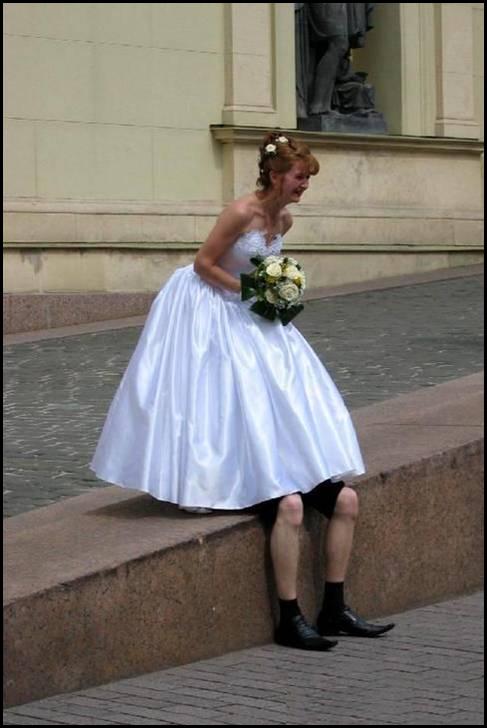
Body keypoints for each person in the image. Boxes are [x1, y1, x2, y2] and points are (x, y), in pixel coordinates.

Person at [91, 132, 394, 650]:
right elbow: (203, 264)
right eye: (300, 176)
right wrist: (252, 291)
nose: (305, 185)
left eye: (308, 178)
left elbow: (270, 268)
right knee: (235, 402)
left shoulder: (285, 221)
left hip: (255, 316)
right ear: (276, 175)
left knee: (313, 437)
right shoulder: (240, 212)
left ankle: (335, 609)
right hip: (214, 310)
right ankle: (287, 614)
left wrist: (277, 292)